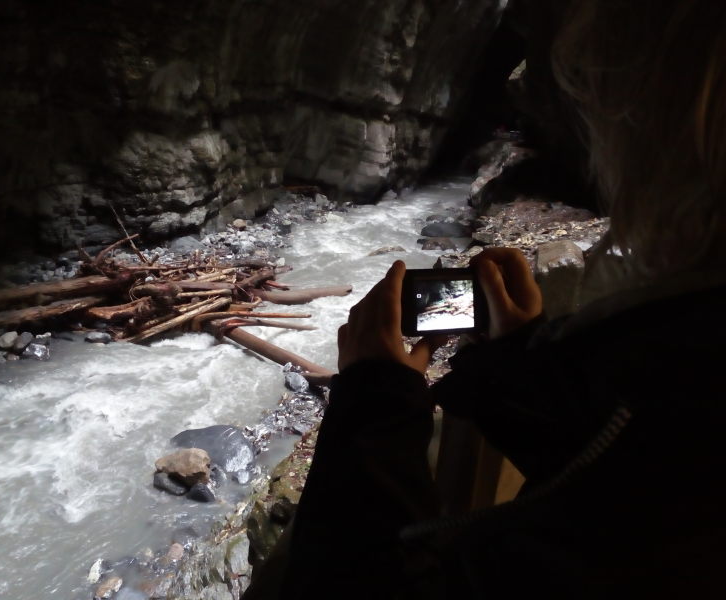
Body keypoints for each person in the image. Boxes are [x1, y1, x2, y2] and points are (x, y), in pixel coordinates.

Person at [245, 1, 726, 597]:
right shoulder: (688, 361)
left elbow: (352, 583)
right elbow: (631, 479)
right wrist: (516, 369)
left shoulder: (682, 364)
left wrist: (371, 408)